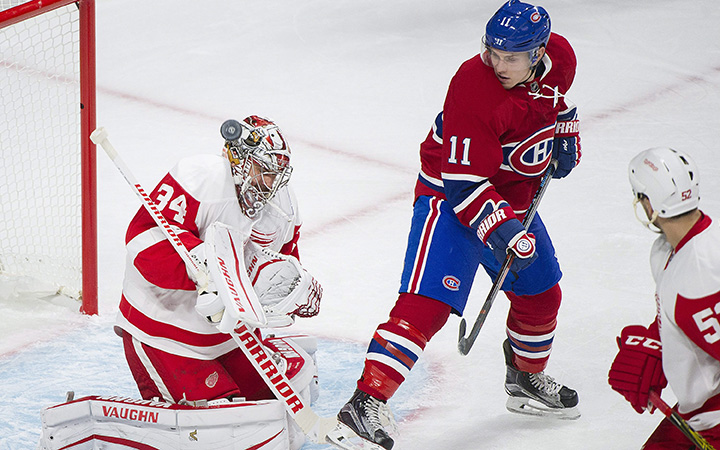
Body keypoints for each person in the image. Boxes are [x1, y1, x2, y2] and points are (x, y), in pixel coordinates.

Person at [326, 1, 582, 449]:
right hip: (450, 198)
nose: (498, 64)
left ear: (539, 53)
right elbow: (464, 186)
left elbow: (553, 99)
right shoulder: (473, 87)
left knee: (542, 292)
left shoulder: (560, 58)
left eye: (511, 57)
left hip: (512, 200)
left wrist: (563, 126)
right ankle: (364, 404)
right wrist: (504, 233)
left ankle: (525, 378)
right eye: (492, 52)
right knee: (428, 304)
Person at [114, 115, 323, 449]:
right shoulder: (200, 177)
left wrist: (289, 291)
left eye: (276, 173)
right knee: (222, 432)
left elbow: (277, 268)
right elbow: (143, 243)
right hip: (166, 332)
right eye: (263, 170)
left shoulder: (283, 206)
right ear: (238, 158)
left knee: (275, 406)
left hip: (231, 335)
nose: (270, 183)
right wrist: (206, 269)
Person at [608, 147, 720, 448]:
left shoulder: (698, 280)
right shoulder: (669, 251)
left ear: (650, 204)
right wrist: (655, 344)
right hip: (695, 417)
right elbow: (681, 317)